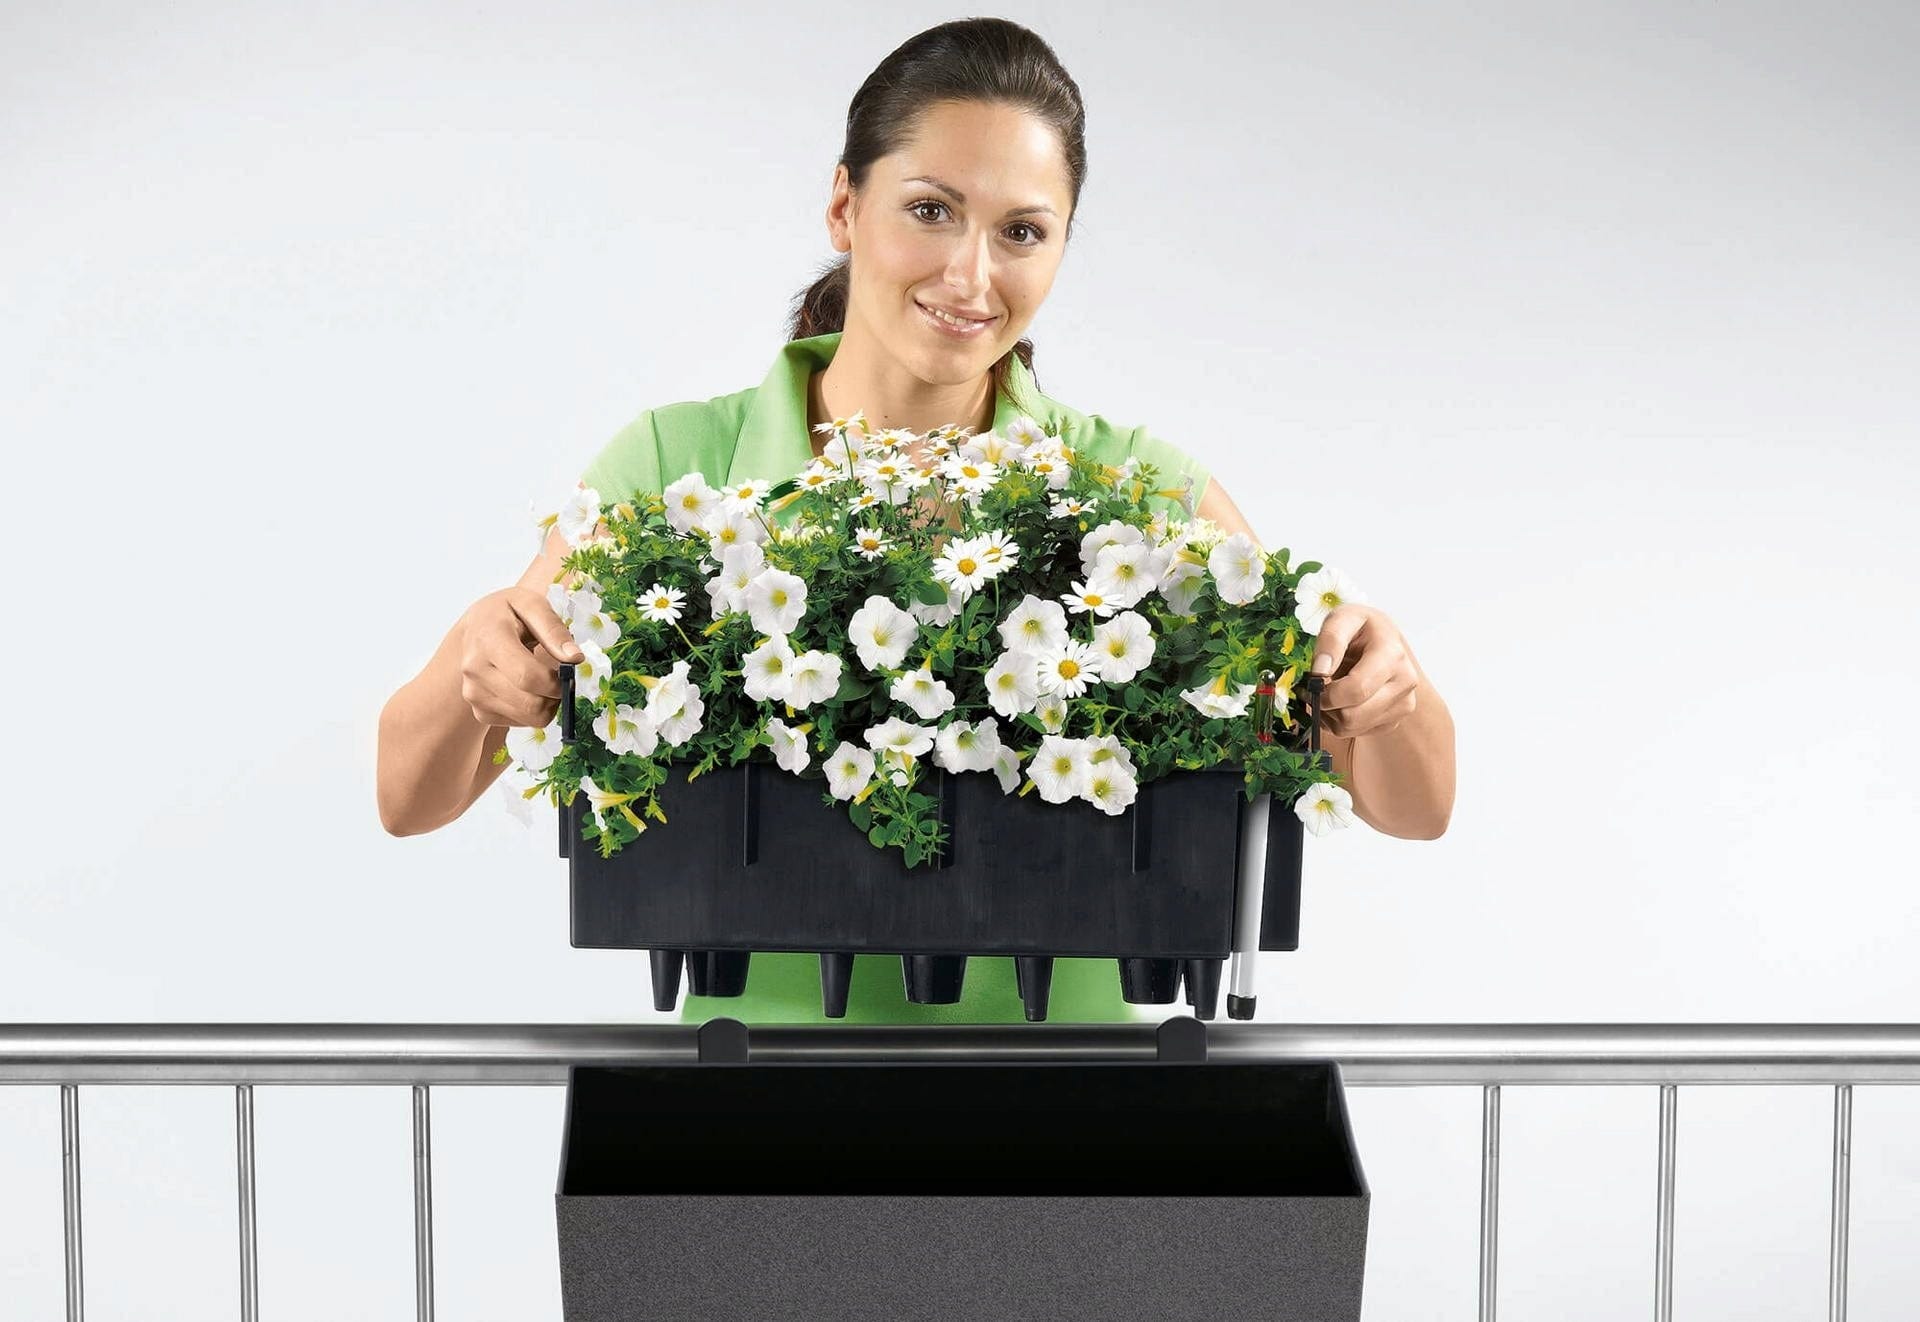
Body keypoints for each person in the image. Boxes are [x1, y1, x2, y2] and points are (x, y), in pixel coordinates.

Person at [376, 17, 1456, 1025]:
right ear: (845, 207)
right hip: (752, 1102)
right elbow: (406, 796)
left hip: (1072, 1097)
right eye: (930, 210)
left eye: (1022, 231)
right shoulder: (677, 467)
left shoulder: (1137, 488)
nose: (971, 275)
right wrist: (485, 657)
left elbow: (1416, 806)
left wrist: (1381, 686)